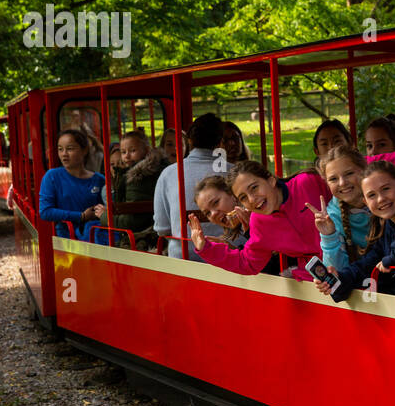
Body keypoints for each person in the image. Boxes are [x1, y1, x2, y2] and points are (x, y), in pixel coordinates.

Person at [187, 160, 331, 280]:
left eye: (254, 188)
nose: (251, 199)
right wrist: (206, 249)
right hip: (314, 279)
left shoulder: (307, 182)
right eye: (243, 197)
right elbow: (247, 262)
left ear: (271, 180)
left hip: (347, 264)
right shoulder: (258, 221)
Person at [313, 160, 395, 302]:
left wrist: (391, 259)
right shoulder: (388, 226)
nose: (381, 199)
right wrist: (339, 279)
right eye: (372, 195)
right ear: (366, 203)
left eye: (386, 189)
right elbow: (368, 263)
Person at [153, 113, 228, 260]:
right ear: (220, 142)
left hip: (185, 258)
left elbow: (162, 229)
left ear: (189, 141)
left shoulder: (169, 173)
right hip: (230, 255)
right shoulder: (235, 172)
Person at [312, 146, 373, 269]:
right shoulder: (331, 217)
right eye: (333, 179)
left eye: (349, 173)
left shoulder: (384, 201)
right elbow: (336, 271)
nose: (342, 183)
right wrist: (329, 235)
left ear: (365, 170)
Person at [38, 129, 105, 240]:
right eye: (60, 149)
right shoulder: (52, 176)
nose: (64, 154)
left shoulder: (99, 180)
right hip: (65, 241)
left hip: (95, 240)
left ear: (85, 150)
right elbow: (45, 212)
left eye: (70, 149)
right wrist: (81, 216)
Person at [111, 130, 167, 246]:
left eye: (133, 151)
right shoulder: (156, 168)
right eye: (123, 152)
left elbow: (133, 221)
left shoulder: (139, 177)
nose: (127, 155)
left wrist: (104, 216)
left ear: (146, 150)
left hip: (144, 237)